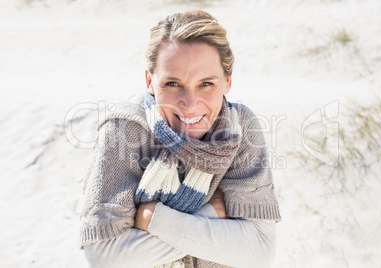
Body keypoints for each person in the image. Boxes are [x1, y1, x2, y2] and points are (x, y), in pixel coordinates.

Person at [80, 10, 281, 268]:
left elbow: (260, 251)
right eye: (173, 84)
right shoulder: (125, 128)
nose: (189, 104)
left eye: (206, 84)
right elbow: (105, 258)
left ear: (227, 82)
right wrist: (213, 214)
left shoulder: (240, 128)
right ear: (149, 81)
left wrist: (154, 219)